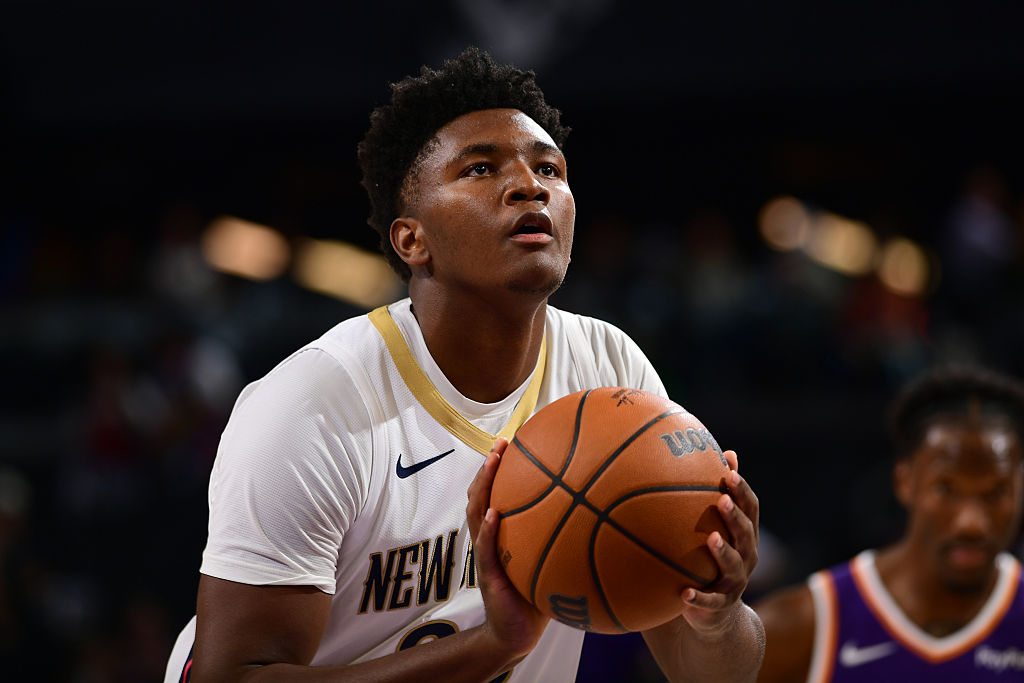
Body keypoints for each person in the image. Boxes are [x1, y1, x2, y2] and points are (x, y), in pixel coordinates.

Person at [162, 46, 764, 683]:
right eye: (480, 168)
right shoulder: (312, 404)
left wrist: (718, 613)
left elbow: (713, 674)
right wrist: (493, 646)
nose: (530, 185)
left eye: (549, 169)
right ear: (411, 240)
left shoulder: (610, 371)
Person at [754, 366, 1024, 682]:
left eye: (996, 492)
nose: (971, 523)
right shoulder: (804, 625)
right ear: (905, 481)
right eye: (946, 489)